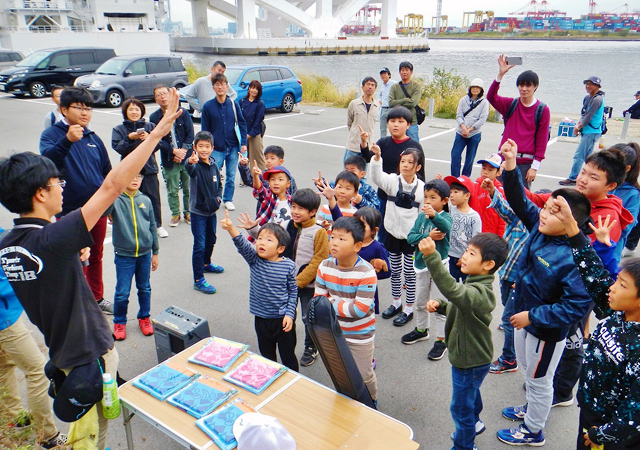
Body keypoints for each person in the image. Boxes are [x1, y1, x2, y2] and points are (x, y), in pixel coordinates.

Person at [0, 87, 182, 450]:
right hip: (86, 357)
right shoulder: (52, 239)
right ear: (40, 194)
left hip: (62, 352)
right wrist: (158, 133)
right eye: (57, 184)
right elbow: (113, 184)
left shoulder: (9, 245)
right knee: (88, 435)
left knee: (97, 423)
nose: (62, 190)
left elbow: (45, 275)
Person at [496, 138, 593, 446]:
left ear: (571, 222)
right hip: (526, 319)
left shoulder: (576, 258)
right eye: (547, 207)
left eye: (552, 211)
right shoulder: (541, 227)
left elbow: (576, 306)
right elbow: (519, 200)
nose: (543, 214)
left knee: (540, 381)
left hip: (546, 330)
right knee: (529, 373)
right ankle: (531, 411)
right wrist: (511, 165)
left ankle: (533, 430)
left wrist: (531, 315)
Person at [552, 195, 640, 450]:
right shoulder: (617, 314)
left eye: (622, 285)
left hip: (613, 434)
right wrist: (571, 226)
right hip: (591, 415)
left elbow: (633, 415)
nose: (612, 288)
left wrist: (601, 436)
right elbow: (593, 273)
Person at [423, 233, 508, 450]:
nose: (465, 256)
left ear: (488, 264)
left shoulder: (480, 292)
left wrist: (432, 256)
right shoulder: (473, 285)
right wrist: (441, 305)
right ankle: (476, 422)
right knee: (471, 392)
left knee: (460, 408)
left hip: (469, 360)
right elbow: (458, 303)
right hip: (474, 358)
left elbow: (455, 292)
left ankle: (464, 446)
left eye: (471, 253)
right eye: (466, 251)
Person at [39, 86, 113, 314]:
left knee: (96, 255)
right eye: (79, 108)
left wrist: (108, 205)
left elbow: (107, 172)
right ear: (63, 109)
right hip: (70, 212)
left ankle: (97, 298)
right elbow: (46, 164)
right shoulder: (52, 135)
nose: (85, 113)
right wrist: (67, 141)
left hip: (97, 209)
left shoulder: (93, 137)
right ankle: (77, 304)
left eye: (88, 108)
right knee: (73, 259)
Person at [0, 233, 67, 450]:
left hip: (6, 314)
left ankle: (15, 420)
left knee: (5, 367)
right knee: (38, 371)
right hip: (4, 319)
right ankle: (48, 435)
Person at [220, 215, 298, 371]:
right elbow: (242, 244)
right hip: (261, 319)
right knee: (267, 357)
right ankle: (268, 380)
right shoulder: (255, 260)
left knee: (288, 356)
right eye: (260, 238)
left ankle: (294, 383)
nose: (262, 242)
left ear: (280, 249)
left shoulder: (288, 266)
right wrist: (230, 228)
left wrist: (290, 314)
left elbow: (293, 291)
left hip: (282, 319)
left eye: (269, 240)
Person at [314, 216, 378, 405]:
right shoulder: (324, 266)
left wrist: (331, 302)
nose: (334, 243)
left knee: (364, 374)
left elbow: (359, 310)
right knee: (341, 372)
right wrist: (335, 303)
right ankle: (347, 400)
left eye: (342, 239)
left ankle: (371, 400)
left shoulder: (366, 273)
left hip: (360, 334)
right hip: (334, 332)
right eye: (333, 237)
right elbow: (318, 301)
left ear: (357, 246)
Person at [370, 146, 425, 327]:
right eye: (403, 161)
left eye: (411, 162)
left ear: (418, 167)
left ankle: (409, 308)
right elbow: (377, 177)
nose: (406, 165)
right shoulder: (393, 181)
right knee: (394, 271)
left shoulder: (422, 189)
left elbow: (424, 215)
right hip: (392, 234)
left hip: (411, 239)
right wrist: (378, 157)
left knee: (409, 273)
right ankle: (396, 303)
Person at [483, 178, 529, 375]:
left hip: (520, 282)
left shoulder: (542, 231)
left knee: (509, 318)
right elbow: (504, 209)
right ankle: (518, 332)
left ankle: (509, 359)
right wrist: (493, 191)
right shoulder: (518, 218)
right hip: (506, 275)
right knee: (507, 308)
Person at [106, 173, 159, 341]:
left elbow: (152, 225)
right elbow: (102, 211)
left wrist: (155, 252)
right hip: (124, 255)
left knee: (144, 288)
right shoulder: (115, 200)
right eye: (131, 175)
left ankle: (144, 318)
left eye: (138, 176)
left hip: (144, 253)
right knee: (122, 292)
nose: (135, 179)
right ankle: (119, 322)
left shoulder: (146, 200)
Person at [404, 179, 452, 362]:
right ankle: (422, 329)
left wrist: (434, 217)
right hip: (422, 266)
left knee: (439, 304)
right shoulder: (421, 216)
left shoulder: (445, 217)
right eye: (426, 197)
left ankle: (442, 340)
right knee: (421, 301)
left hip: (440, 267)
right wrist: (427, 236)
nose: (428, 201)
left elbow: (446, 228)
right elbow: (410, 238)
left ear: (444, 201)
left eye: (433, 198)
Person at [360, 106, 424, 243]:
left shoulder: (414, 147)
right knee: (383, 231)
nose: (395, 124)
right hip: (384, 195)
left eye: (401, 121)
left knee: (406, 232)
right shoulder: (383, 142)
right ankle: (384, 259)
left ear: (408, 125)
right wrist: (364, 143)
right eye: (392, 120)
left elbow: (420, 175)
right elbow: (367, 158)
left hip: (406, 198)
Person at [487, 55, 550, 189]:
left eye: (528, 85)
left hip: (525, 163)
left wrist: (535, 166)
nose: (524, 88)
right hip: (504, 158)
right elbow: (491, 97)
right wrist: (500, 75)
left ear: (535, 87)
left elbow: (542, 139)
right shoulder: (511, 104)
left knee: (520, 202)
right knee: (496, 194)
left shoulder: (542, 110)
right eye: (521, 85)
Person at [111, 97, 166, 238]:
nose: (134, 112)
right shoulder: (119, 129)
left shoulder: (150, 126)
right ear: (125, 112)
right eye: (131, 109)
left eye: (137, 109)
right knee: (129, 200)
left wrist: (150, 138)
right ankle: (131, 227)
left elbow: (160, 145)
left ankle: (157, 226)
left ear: (142, 111)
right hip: (129, 171)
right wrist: (130, 138)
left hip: (148, 170)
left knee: (153, 198)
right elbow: (118, 148)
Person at [149, 84, 194, 228]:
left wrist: (182, 152)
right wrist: (173, 151)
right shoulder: (154, 117)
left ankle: (188, 212)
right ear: (155, 99)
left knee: (188, 187)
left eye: (164, 93)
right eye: (159, 95)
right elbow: (157, 139)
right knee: (172, 189)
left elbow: (190, 134)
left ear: (170, 95)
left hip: (186, 157)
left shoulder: (183, 112)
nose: (162, 97)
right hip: (169, 158)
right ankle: (175, 214)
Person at [201, 73, 248, 211]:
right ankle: (213, 198)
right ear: (213, 87)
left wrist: (243, 143)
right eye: (217, 84)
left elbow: (242, 124)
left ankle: (228, 199)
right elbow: (205, 131)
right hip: (216, 148)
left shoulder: (233, 104)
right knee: (212, 175)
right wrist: (206, 148)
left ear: (227, 86)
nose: (220, 87)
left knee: (231, 176)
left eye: (223, 84)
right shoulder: (208, 106)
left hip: (233, 146)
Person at [186, 131, 225, 295]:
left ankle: (206, 263)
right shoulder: (194, 166)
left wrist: (218, 199)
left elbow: (219, 186)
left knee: (211, 239)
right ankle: (198, 279)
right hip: (198, 213)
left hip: (211, 211)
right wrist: (189, 162)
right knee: (199, 245)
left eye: (207, 146)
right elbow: (189, 168)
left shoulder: (214, 165)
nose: (204, 150)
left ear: (212, 148)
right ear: (195, 147)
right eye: (200, 146)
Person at [560, 76, 606, 186]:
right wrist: (578, 124)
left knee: (579, 155)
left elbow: (588, 117)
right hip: (588, 130)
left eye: (591, 84)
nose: (588, 86)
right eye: (587, 84)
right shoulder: (588, 98)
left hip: (591, 131)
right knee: (587, 157)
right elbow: (584, 114)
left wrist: (577, 128)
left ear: (597, 86)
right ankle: (593, 176)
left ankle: (573, 178)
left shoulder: (597, 99)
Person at [443, 175, 482, 284]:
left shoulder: (474, 216)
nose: (451, 195)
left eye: (456, 192)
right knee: (450, 288)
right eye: (450, 192)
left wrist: (466, 257)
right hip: (449, 256)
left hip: (466, 259)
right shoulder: (449, 210)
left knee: (467, 289)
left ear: (467, 196)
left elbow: (476, 241)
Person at [450, 79, 489, 178]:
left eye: (478, 87)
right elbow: (459, 115)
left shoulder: (484, 102)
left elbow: (482, 119)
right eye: (473, 87)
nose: (475, 89)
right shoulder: (463, 100)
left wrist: (469, 129)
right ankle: (455, 178)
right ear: (470, 88)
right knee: (455, 155)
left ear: (481, 90)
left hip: (474, 134)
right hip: (461, 132)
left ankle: (465, 178)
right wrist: (463, 128)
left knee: (470, 158)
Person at [313, 155, 380, 211]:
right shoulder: (338, 184)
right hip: (337, 214)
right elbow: (328, 188)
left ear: (362, 173)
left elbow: (376, 208)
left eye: (352, 171)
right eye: (346, 170)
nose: (349, 173)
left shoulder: (367, 189)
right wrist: (321, 183)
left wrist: (362, 201)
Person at [610, 142, 640, 262]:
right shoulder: (599, 183)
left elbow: (627, 227)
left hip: (609, 252)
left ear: (627, 168)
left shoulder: (632, 194)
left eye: (613, 164)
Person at [468, 153, 506, 237]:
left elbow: (503, 219)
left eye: (490, 170)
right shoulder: (473, 187)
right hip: (473, 234)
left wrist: (500, 238)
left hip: (490, 237)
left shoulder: (501, 192)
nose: (485, 172)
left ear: (498, 173)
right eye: (484, 168)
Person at [345, 77, 379, 162]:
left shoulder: (377, 105)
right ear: (362, 87)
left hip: (367, 147)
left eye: (372, 85)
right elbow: (350, 122)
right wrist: (355, 133)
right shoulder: (354, 103)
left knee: (363, 173)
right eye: (368, 84)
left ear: (375, 89)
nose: (370, 87)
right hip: (353, 146)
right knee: (348, 173)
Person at [389, 61, 423, 143]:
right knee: (396, 145)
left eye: (407, 70)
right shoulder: (394, 87)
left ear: (411, 72)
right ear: (399, 72)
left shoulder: (416, 86)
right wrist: (405, 100)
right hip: (397, 121)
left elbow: (413, 103)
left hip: (412, 122)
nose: (404, 72)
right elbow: (391, 103)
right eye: (402, 70)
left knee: (414, 146)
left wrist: (397, 103)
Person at [239, 80, 267, 173]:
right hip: (243, 134)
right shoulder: (242, 101)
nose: (254, 90)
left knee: (257, 157)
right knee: (244, 157)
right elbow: (239, 118)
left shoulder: (260, 103)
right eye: (252, 88)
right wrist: (243, 135)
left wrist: (250, 134)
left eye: (256, 89)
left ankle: (261, 177)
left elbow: (258, 121)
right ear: (249, 89)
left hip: (255, 134)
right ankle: (245, 179)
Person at [378, 67, 397, 138]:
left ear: (389, 75)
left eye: (384, 74)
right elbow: (379, 95)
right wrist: (379, 99)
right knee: (382, 129)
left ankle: (394, 142)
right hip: (383, 109)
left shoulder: (394, 83)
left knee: (393, 128)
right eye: (381, 74)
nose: (383, 76)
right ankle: (383, 143)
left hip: (392, 108)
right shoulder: (382, 85)